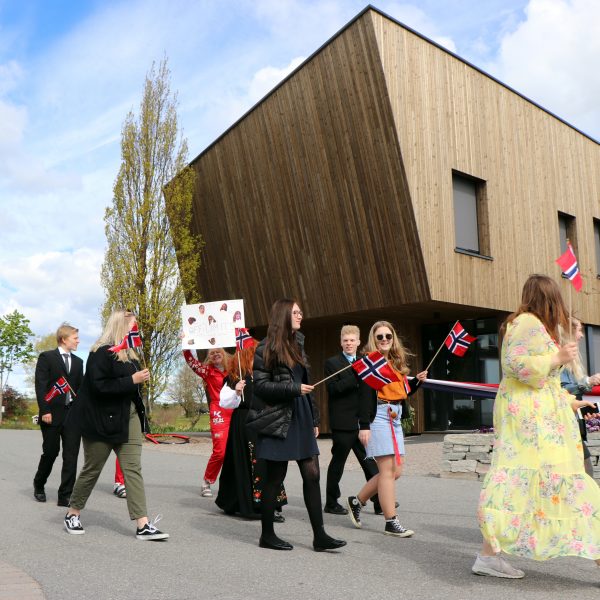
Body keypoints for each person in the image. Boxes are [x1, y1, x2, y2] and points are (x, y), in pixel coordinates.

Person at [473, 274, 600, 578]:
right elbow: (515, 365)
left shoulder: (531, 325)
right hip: (531, 424)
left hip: (538, 419)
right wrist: (556, 357)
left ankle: (488, 556)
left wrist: (569, 401)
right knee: (556, 481)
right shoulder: (527, 323)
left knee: (526, 483)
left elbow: (543, 382)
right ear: (549, 299)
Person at [64, 309, 168, 540]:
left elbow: (130, 389)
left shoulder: (131, 355)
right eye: (133, 324)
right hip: (100, 420)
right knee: (92, 468)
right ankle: (73, 513)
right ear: (121, 325)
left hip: (128, 417)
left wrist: (139, 381)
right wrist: (132, 379)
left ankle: (143, 524)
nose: (136, 329)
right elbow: (98, 387)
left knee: (132, 469)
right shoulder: (101, 352)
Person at [253, 298, 346, 552]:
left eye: (300, 312)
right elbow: (260, 386)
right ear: (283, 314)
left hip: (301, 414)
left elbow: (306, 382)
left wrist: (314, 418)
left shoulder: (298, 343)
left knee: (312, 474)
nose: (300, 315)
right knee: (275, 478)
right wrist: (293, 389)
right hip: (279, 417)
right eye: (295, 312)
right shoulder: (265, 347)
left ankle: (320, 536)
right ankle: (267, 535)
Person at [347, 321, 426, 537]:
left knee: (395, 471)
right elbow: (364, 395)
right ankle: (391, 521)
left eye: (388, 336)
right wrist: (364, 425)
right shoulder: (370, 362)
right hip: (379, 416)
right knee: (387, 471)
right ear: (373, 339)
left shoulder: (394, 361)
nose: (384, 340)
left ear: (393, 339)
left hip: (395, 416)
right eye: (379, 336)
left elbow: (400, 392)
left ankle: (357, 501)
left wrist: (416, 383)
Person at [215, 341, 287, 520]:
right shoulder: (235, 377)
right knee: (252, 463)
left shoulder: (265, 376)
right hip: (245, 423)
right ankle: (252, 504)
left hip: (266, 421)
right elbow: (225, 402)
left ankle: (271, 503)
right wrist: (237, 392)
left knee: (269, 462)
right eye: (256, 355)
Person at [323, 325, 380, 515]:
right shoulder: (332, 363)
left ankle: (380, 501)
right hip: (343, 423)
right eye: (345, 340)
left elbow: (369, 392)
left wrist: (369, 418)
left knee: (369, 463)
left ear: (358, 342)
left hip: (362, 423)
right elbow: (334, 389)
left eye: (352, 340)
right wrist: (356, 373)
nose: (349, 343)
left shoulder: (365, 363)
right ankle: (331, 503)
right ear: (341, 342)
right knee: (338, 464)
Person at [33, 323, 84, 506]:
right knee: (51, 452)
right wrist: (45, 410)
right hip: (52, 415)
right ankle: (39, 484)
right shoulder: (47, 358)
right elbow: (41, 386)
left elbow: (80, 389)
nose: (78, 341)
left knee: (71, 456)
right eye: (75, 338)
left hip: (72, 416)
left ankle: (65, 495)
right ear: (64, 339)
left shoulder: (79, 362)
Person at [183, 346, 232, 497]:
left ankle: (236, 486)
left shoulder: (235, 367)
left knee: (238, 451)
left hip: (237, 412)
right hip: (219, 413)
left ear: (224, 353)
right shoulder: (207, 371)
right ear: (209, 357)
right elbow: (192, 362)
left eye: (218, 352)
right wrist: (186, 346)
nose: (215, 354)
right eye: (212, 353)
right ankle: (207, 480)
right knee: (220, 452)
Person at [560, 316, 600, 478]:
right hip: (563, 425)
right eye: (579, 330)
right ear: (568, 333)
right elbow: (562, 390)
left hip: (572, 423)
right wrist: (587, 381)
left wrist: (585, 409)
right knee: (586, 473)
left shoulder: (572, 361)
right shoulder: (560, 359)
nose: (582, 335)